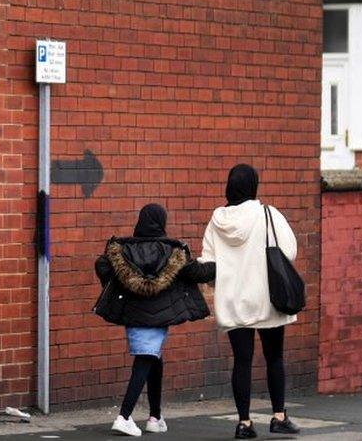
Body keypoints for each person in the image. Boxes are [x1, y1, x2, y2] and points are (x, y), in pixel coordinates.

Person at [94, 203, 215, 436]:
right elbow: (198, 273)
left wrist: (116, 281)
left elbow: (102, 265)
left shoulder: (123, 250)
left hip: (133, 315)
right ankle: (124, 416)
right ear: (162, 222)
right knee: (145, 360)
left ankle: (155, 416)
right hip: (159, 317)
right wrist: (226, 264)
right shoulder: (172, 251)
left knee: (153, 359)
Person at [199, 164, 302, 439]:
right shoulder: (267, 213)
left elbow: (208, 263)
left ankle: (244, 423)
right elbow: (289, 250)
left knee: (241, 362)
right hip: (268, 300)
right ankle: (279, 416)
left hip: (234, 302)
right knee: (274, 357)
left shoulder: (217, 221)